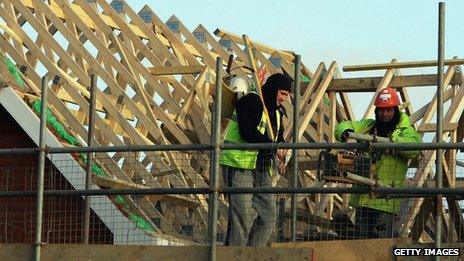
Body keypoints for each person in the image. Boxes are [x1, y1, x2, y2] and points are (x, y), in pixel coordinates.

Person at [334, 86, 421, 238]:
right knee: (362, 245)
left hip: (385, 200)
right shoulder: (368, 126)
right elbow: (343, 126)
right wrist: (347, 133)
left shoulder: (405, 132)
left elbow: (414, 148)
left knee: (380, 246)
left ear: (395, 110)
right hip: (363, 198)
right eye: (381, 110)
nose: (385, 114)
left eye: (389, 110)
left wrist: (389, 142)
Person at [219, 73, 291, 246]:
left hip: (261, 168)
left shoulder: (277, 113)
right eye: (282, 94)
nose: (283, 99)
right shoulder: (251, 101)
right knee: (242, 215)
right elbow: (247, 131)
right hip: (238, 164)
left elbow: (278, 138)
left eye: (287, 96)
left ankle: (252, 254)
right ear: (273, 89)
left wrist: (281, 150)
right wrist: (273, 146)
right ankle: (234, 256)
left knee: (268, 216)